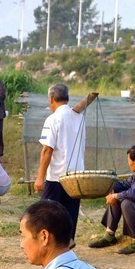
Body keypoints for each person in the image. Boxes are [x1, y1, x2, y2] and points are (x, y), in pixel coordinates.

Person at [37, 84, 99, 231]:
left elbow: (47, 150)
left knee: (47, 213)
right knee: (70, 212)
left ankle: (50, 242)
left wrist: (40, 177)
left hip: (58, 176)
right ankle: (67, 241)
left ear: (51, 98)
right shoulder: (79, 117)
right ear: (67, 98)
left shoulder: (53, 119)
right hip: (76, 175)